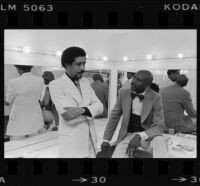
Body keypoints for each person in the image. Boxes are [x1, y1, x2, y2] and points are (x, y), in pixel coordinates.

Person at [49, 46, 103, 158]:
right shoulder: (55, 85)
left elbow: (100, 107)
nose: (83, 67)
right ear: (67, 65)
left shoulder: (85, 82)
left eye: (84, 63)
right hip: (72, 145)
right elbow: (70, 119)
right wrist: (91, 112)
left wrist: (81, 110)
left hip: (91, 141)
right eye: (78, 64)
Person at [101, 70, 168, 158]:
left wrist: (139, 136)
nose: (133, 81)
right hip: (127, 135)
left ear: (147, 85)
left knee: (160, 141)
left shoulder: (156, 97)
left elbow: (159, 126)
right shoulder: (123, 92)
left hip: (148, 136)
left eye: (138, 80)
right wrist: (106, 139)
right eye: (134, 77)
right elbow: (114, 116)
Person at [5, 65, 44, 140]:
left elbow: (7, 103)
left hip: (18, 122)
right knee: (33, 144)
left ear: (19, 69)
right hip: (34, 119)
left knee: (16, 147)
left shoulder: (13, 82)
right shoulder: (40, 80)